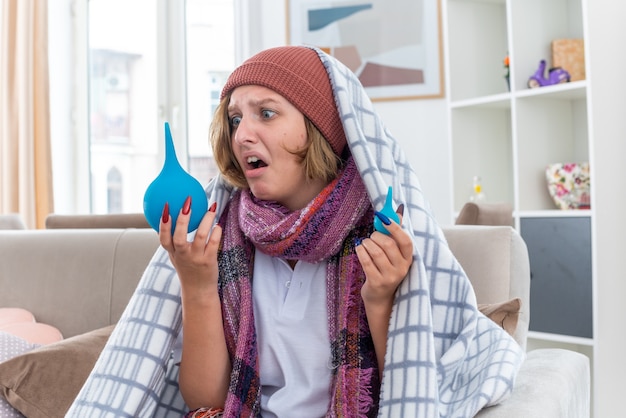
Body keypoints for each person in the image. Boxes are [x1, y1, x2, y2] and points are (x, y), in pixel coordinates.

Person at [67, 45, 523, 418]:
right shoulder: (223, 232)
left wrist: (381, 299)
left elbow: (406, 398)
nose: (242, 133)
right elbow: (206, 403)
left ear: (321, 130)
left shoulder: (377, 235)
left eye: (266, 113)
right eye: (234, 119)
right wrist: (197, 283)